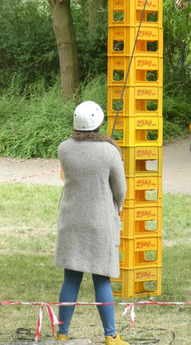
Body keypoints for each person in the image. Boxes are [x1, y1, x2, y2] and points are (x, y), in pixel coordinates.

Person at [54, 100, 128, 345]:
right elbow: (120, 190)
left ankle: (62, 331)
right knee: (102, 278)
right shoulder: (109, 151)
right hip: (99, 223)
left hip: (71, 221)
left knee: (71, 278)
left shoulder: (64, 148)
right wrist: (116, 207)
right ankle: (110, 335)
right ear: (98, 123)